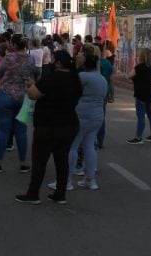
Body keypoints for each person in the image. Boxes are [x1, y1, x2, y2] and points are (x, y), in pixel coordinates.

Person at [15, 50, 81, 205]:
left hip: (48, 125)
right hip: (69, 125)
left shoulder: (51, 77)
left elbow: (33, 94)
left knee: (39, 161)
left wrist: (31, 85)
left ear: (58, 62)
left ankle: (33, 194)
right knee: (62, 160)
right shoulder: (75, 78)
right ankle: (60, 193)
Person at [60, 49, 108, 192]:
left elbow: (69, 90)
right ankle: (90, 179)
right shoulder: (101, 78)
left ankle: (66, 181)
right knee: (89, 146)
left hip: (81, 114)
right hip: (97, 115)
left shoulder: (82, 76)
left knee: (72, 146)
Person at [0, 34, 34, 173]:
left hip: (5, 95)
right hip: (23, 97)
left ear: (13, 44)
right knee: (21, 131)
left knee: (3, 130)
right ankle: (23, 163)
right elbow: (36, 73)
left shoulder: (8, 57)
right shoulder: (30, 58)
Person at [127, 48, 151, 144]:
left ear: (142, 56)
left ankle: (138, 137)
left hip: (141, 93)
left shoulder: (139, 67)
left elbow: (130, 76)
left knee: (141, 115)